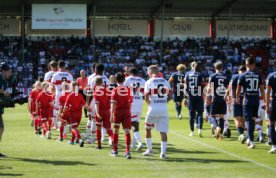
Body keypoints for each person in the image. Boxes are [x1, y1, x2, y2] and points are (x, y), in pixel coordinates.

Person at [143, 65, 171, 159]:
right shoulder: (166, 81)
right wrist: (164, 102)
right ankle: (163, 153)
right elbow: (170, 96)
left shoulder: (149, 82)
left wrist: (150, 104)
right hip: (164, 109)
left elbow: (146, 96)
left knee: (147, 128)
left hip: (153, 108)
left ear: (150, 72)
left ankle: (149, 150)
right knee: (163, 132)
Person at [236, 57, 265, 149]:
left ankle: (251, 141)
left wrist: (237, 97)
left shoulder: (243, 75)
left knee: (248, 121)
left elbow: (238, 88)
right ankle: (249, 138)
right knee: (252, 120)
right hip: (256, 101)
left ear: (246, 64)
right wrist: (264, 100)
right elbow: (262, 90)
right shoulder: (258, 75)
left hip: (247, 101)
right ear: (254, 65)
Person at [110, 72, 133, 159]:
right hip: (126, 112)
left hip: (118, 112)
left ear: (116, 80)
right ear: (124, 79)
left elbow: (113, 104)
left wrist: (111, 115)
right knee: (127, 131)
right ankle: (127, 152)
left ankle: (115, 150)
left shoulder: (115, 90)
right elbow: (131, 102)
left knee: (116, 131)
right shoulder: (128, 90)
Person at [62, 82, 89, 147]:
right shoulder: (80, 95)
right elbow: (84, 105)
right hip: (79, 114)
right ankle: (72, 141)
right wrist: (90, 110)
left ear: (73, 87)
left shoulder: (70, 95)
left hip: (73, 114)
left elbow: (66, 107)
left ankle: (80, 140)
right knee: (75, 128)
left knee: (73, 128)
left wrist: (62, 113)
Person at [124, 67, 145, 151]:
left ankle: (139, 142)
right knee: (136, 123)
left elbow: (124, 91)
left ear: (129, 73)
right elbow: (144, 92)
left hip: (131, 103)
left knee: (133, 124)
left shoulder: (127, 79)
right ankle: (133, 144)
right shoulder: (142, 80)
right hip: (140, 103)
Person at [207, 62, 229, 140]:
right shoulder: (226, 76)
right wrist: (226, 95)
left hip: (215, 98)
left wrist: (209, 96)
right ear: (222, 67)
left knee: (212, 116)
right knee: (222, 116)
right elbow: (228, 87)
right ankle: (220, 131)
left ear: (215, 67)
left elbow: (210, 87)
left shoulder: (212, 76)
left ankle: (217, 128)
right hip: (223, 98)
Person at [51, 60, 73, 135]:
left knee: (58, 110)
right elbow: (74, 86)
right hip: (68, 94)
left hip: (59, 94)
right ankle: (69, 124)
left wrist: (52, 94)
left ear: (58, 66)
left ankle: (60, 127)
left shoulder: (55, 75)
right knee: (68, 109)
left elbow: (52, 87)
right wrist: (75, 95)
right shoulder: (69, 75)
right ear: (64, 66)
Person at [184, 62, 205, 137]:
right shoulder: (200, 74)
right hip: (199, 94)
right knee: (200, 113)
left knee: (191, 114)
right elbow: (203, 85)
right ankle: (200, 129)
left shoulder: (187, 74)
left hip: (191, 95)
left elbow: (185, 86)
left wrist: (185, 97)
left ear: (191, 66)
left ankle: (192, 132)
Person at [93, 77, 114, 149]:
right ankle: (113, 139)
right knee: (108, 128)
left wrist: (97, 113)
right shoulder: (108, 91)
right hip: (107, 111)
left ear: (95, 84)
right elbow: (111, 102)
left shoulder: (96, 92)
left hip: (100, 111)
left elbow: (96, 104)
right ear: (102, 83)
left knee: (98, 128)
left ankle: (99, 145)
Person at [228, 65, 246, 143]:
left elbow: (230, 87)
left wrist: (230, 97)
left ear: (239, 70)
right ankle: (243, 133)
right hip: (245, 99)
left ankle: (241, 134)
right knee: (243, 118)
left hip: (236, 99)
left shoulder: (235, 77)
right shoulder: (247, 76)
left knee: (236, 118)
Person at [0, 62, 13, 157]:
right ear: (3, 71)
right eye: (8, 71)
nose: (10, 73)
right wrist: (4, 92)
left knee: (1, 128)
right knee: (1, 128)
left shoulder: (5, 80)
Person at [265, 70, 276, 153]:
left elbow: (268, 91)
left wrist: (267, 105)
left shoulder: (271, 75)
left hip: (274, 101)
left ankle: (274, 146)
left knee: (272, 123)